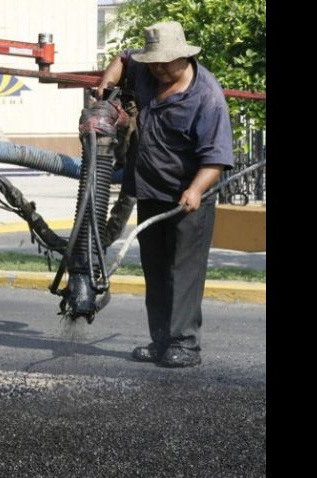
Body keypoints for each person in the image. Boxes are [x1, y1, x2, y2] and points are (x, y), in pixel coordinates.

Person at [96, 21, 234, 367]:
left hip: (187, 197)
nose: (157, 69)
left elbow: (216, 157)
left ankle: (186, 344)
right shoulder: (148, 72)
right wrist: (105, 86)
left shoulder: (207, 97)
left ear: (182, 57)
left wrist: (195, 189)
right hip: (149, 191)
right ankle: (161, 341)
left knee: (183, 270)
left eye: (164, 63)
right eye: (153, 62)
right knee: (155, 269)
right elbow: (124, 60)